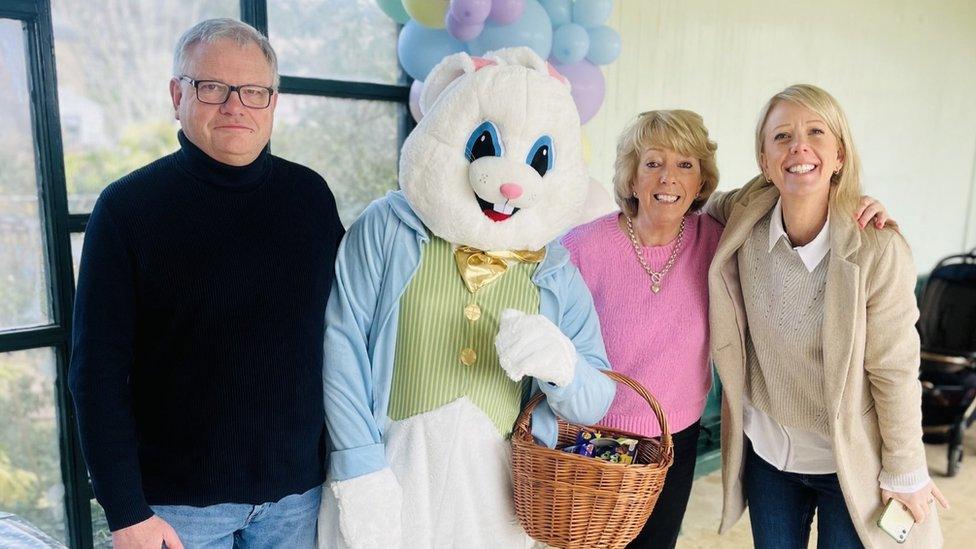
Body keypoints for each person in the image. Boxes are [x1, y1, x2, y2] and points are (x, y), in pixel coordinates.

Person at [68, 18, 343, 549]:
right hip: (175, 512)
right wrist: (126, 512)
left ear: (273, 102)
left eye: (254, 91)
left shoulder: (310, 198)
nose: (235, 105)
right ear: (178, 94)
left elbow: (350, 328)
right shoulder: (127, 209)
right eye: (212, 87)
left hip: (299, 500)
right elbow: (95, 375)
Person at [563, 109, 891, 549]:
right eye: (653, 163)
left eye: (685, 165)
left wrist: (852, 204)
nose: (668, 179)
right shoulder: (581, 247)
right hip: (593, 434)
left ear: (701, 182)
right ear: (630, 176)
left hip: (674, 436)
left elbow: (794, 199)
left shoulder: (719, 239)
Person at [706, 84, 948, 548]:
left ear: (839, 154)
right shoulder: (743, 217)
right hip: (769, 459)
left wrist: (905, 467)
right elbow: (694, 200)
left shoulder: (877, 249)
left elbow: (895, 369)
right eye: (782, 137)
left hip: (848, 462)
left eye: (816, 132)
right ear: (763, 160)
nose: (799, 146)